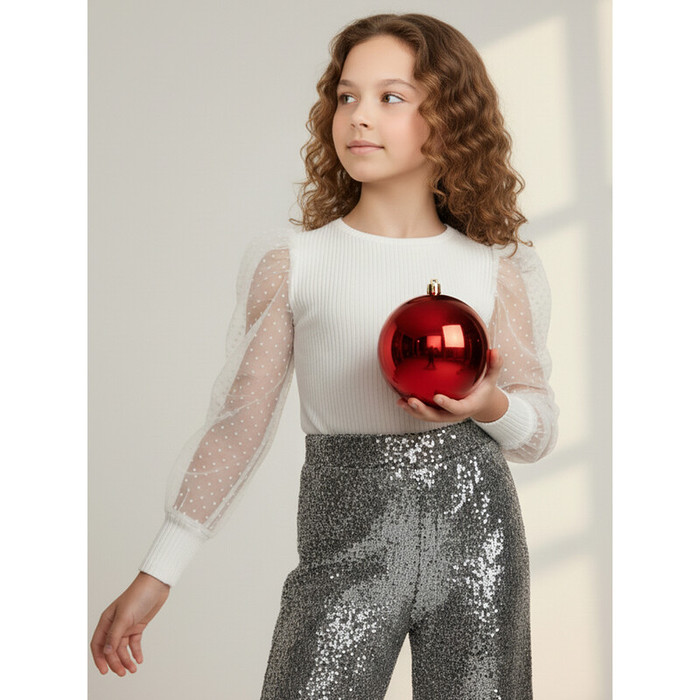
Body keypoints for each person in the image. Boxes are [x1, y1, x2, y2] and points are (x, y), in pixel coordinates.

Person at [91, 13, 558, 699]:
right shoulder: (295, 263)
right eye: (346, 96)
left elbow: (539, 433)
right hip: (346, 539)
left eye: (390, 97)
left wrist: (487, 404)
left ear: (447, 119)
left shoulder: (495, 270)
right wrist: (158, 571)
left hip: (478, 539)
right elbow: (238, 428)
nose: (359, 116)